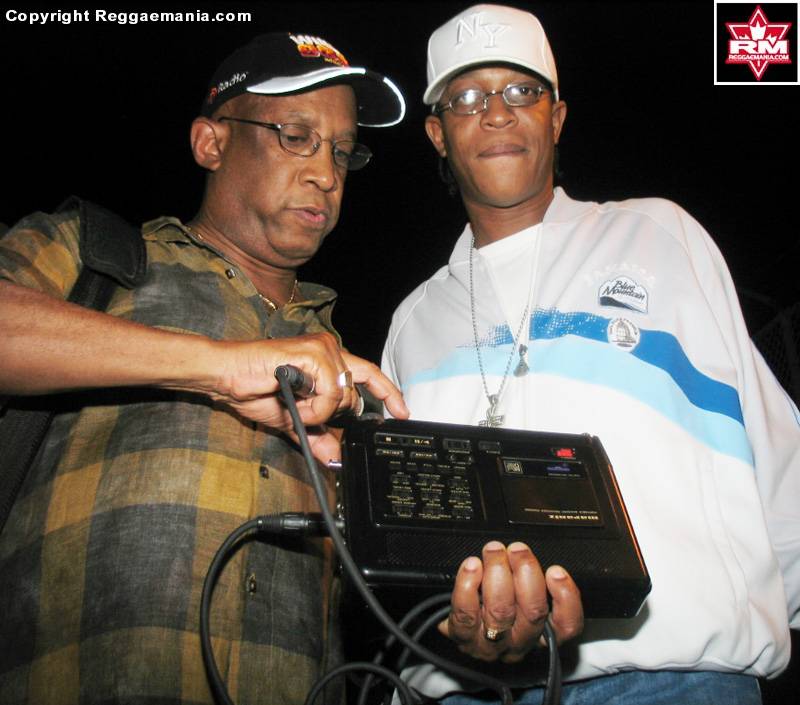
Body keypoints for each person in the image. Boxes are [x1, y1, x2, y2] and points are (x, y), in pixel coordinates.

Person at [382, 4, 800, 704]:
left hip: (670, 678)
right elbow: (400, 538)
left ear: (556, 118)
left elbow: (776, 456)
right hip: (462, 691)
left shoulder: (659, 236)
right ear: (437, 134)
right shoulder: (413, 322)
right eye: (467, 97)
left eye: (521, 91)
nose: (496, 113)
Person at [0, 31, 416, 705]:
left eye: (342, 151)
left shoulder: (345, 364)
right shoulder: (95, 257)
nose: (326, 173)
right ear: (211, 143)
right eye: (296, 137)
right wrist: (222, 366)